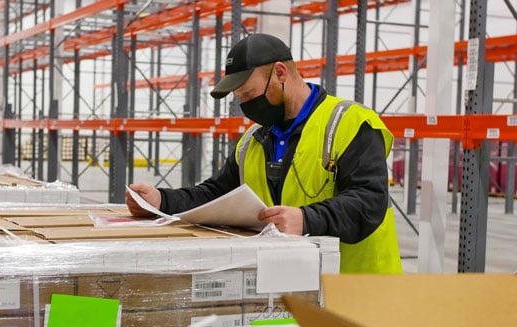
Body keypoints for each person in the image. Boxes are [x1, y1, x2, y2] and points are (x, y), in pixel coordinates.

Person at [126, 33, 401, 274]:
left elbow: (369, 200)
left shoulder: (349, 122)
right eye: (240, 98)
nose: (245, 104)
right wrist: (161, 200)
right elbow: (216, 195)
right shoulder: (252, 141)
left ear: (280, 73)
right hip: (297, 289)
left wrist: (307, 219)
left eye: (248, 93)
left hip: (358, 291)